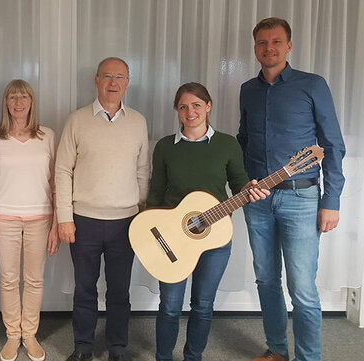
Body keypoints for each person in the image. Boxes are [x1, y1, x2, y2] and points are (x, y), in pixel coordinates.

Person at [238, 17, 346, 361]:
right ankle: (277, 351)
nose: (269, 48)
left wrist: (331, 200)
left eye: (276, 42)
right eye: (262, 43)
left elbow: (332, 144)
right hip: (257, 201)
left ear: (288, 46)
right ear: (255, 48)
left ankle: (308, 358)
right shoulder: (247, 90)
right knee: (266, 281)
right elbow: (243, 141)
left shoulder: (313, 85)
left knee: (302, 289)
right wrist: (240, 182)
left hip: (302, 197)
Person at [147, 83, 269, 361]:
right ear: (177, 111)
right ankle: (163, 357)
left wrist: (250, 189)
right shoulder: (166, 146)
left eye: (196, 105)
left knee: (202, 305)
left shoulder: (227, 144)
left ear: (209, 106)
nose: (190, 112)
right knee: (169, 305)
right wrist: (153, 235)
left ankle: (194, 357)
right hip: (173, 237)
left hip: (215, 239)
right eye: (183, 106)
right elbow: (155, 193)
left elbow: (239, 183)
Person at [56, 57, 150, 361]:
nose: (113, 83)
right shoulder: (77, 120)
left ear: (128, 82)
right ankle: (82, 346)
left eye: (120, 77)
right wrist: (64, 218)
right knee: (84, 289)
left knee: (119, 292)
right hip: (84, 222)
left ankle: (117, 348)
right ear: (96, 80)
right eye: (107, 76)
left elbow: (142, 170)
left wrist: (143, 214)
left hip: (126, 221)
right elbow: (62, 171)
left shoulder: (138, 121)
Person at [0, 79, 60, 361]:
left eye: (23, 97)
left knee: (35, 280)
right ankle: (13, 335)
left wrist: (56, 225)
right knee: (8, 279)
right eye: (12, 97)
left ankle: (30, 334)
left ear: (31, 102)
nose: (18, 102)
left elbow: (55, 183)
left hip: (41, 218)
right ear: (6, 102)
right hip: (4, 219)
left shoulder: (47, 136)